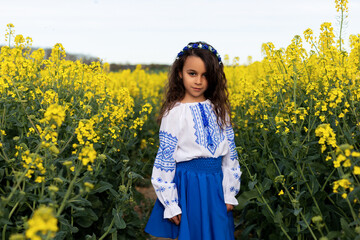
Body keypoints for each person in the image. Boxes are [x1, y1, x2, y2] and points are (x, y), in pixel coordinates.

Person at [145, 41, 241, 240]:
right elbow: (165, 158)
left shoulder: (220, 110)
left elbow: (230, 154)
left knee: (219, 234)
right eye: (192, 73)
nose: (198, 81)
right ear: (180, 73)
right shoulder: (174, 113)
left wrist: (230, 191)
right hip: (189, 186)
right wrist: (171, 203)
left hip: (216, 183)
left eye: (205, 75)